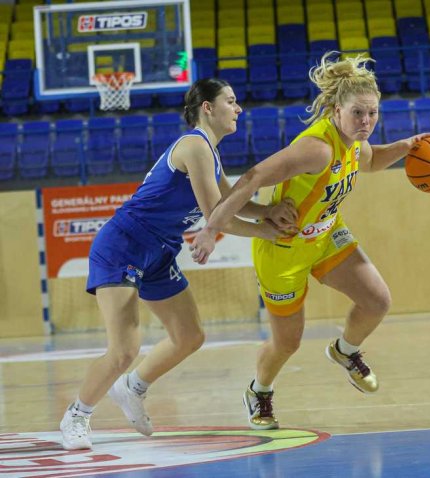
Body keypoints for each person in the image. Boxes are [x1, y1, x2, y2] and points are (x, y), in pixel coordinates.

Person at [190, 52, 430, 430]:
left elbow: (370, 160)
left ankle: (345, 351)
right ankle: (259, 391)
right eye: (358, 113)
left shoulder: (355, 141)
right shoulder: (317, 148)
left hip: (325, 235)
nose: (367, 121)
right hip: (283, 249)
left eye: (373, 113)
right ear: (336, 110)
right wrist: (213, 228)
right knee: (287, 343)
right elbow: (252, 178)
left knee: (377, 301)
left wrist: (404, 147)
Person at [59, 78, 297, 450]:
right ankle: (77, 414)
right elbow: (216, 216)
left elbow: (230, 201)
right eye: (231, 102)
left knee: (190, 336)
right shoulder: (195, 147)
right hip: (124, 244)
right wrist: (270, 232)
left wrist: (268, 212)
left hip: (159, 250)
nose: (238, 109)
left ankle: (132, 388)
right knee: (123, 349)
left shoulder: (210, 152)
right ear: (207, 108)